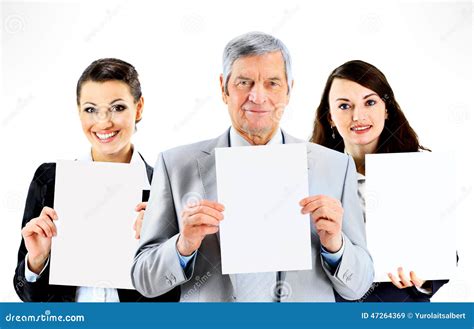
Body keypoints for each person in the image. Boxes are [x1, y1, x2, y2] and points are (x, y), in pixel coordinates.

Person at [131, 32, 373, 302]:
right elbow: (144, 280)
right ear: (224, 88)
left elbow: (359, 286)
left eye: (272, 83)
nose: (258, 97)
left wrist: (336, 246)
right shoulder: (176, 166)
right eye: (244, 83)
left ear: (289, 90)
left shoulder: (335, 167)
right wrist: (183, 245)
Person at [13, 58, 179, 302]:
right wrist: (36, 261)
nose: (104, 122)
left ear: (139, 107)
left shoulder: (165, 188)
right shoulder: (49, 180)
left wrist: (160, 254)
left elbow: (173, 301)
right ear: (78, 111)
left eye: (118, 107)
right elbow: (28, 297)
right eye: (90, 109)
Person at [311, 59, 449, 302]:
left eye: (370, 102)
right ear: (330, 116)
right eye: (344, 106)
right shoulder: (311, 174)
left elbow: (445, 253)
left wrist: (424, 277)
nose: (358, 115)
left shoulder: (420, 170)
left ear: (386, 109)